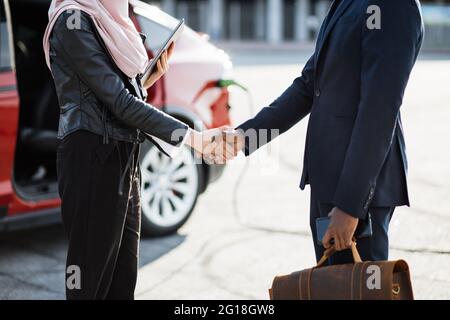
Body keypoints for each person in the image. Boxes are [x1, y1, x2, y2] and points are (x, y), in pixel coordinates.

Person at [215, 0, 424, 264]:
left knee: (359, 290)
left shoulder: (393, 6)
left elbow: (379, 111)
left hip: (357, 194)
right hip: (329, 181)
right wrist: (244, 136)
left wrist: (350, 205)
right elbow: (309, 85)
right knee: (332, 287)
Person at [43, 0, 219, 299]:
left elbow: (117, 96)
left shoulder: (111, 21)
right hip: (92, 158)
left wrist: (148, 78)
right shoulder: (72, 19)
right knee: (90, 280)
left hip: (125, 155)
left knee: (123, 277)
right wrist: (192, 138)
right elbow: (119, 103)